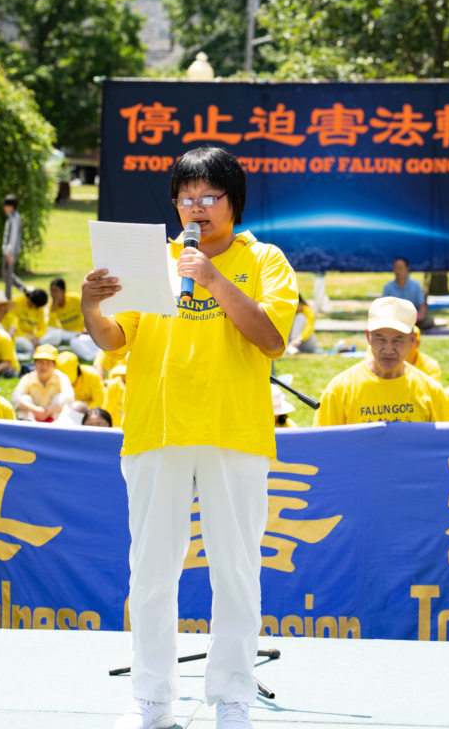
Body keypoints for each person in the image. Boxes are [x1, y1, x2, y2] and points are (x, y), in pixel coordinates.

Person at [80, 145, 298, 729]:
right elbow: (115, 339)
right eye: (186, 198)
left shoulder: (265, 259)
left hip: (233, 431)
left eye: (208, 197)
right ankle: (152, 698)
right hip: (157, 428)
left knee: (236, 570)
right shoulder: (151, 259)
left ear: (233, 202)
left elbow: (272, 338)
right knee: (151, 571)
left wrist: (212, 277)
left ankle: (232, 698)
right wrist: (91, 307)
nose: (196, 207)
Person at [315, 298, 449, 426]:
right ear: (368, 337)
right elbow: (322, 441)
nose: (388, 349)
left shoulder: (432, 393)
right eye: (380, 339)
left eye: (397, 340)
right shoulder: (339, 390)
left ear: (412, 340)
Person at [12, 344, 73, 421]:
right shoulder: (28, 378)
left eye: (48, 363)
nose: (44, 367)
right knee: (25, 398)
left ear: (54, 365)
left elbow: (70, 397)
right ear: (35, 364)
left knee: (60, 397)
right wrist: (35, 409)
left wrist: (48, 411)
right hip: (33, 417)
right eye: (40, 362)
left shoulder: (61, 377)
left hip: (54, 418)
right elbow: (15, 398)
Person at [381, 257, 434, 330]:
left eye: (400, 268)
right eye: (396, 268)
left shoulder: (416, 285)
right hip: (394, 321)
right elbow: (384, 309)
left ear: (407, 269)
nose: (398, 271)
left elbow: (422, 306)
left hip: (413, 321)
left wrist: (421, 315)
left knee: (429, 321)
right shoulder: (387, 287)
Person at [44, 277, 84, 346]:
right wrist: (54, 309)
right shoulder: (52, 306)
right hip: (67, 334)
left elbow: (90, 313)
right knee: (50, 330)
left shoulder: (75, 299)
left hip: (82, 332)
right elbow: (51, 327)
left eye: (55, 291)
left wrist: (87, 329)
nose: (52, 294)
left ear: (63, 290)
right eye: (51, 291)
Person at [2, 194, 22, 299]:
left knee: (8, 277)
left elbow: (13, 238)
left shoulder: (14, 218)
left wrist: (9, 253)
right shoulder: (11, 217)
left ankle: (8, 298)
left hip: (11, 252)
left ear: (11, 206)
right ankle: (25, 289)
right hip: (9, 251)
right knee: (6, 275)